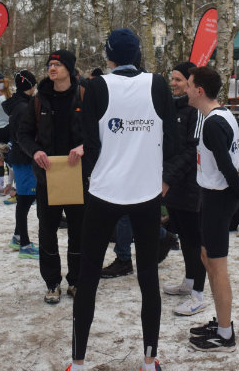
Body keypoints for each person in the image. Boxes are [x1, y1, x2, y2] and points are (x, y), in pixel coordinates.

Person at [68, 28, 176, 371]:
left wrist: (96, 170)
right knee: (148, 277)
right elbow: (172, 139)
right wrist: (161, 176)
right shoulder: (158, 84)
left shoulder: (97, 86)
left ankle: (78, 363)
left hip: (105, 192)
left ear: (109, 55)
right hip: (146, 192)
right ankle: (149, 360)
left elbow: (90, 142)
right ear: (138, 54)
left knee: (88, 276)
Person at [185, 65, 239, 353]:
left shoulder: (214, 123)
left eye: (189, 85)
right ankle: (221, 322)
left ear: (199, 90)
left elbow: (228, 165)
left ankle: (225, 335)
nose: (186, 90)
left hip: (219, 197)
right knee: (207, 257)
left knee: (217, 267)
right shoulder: (223, 114)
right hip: (214, 195)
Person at [17, 49, 85, 304]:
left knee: (79, 232)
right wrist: (35, 151)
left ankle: (76, 281)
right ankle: (52, 282)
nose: (52, 68)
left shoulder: (84, 96)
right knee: (47, 232)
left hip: (77, 176)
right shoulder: (39, 99)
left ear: (69, 68)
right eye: (49, 65)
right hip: (48, 176)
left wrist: (84, 147)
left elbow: (98, 132)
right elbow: (23, 134)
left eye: (57, 64)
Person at [159, 62, 206, 316]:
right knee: (185, 239)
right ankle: (188, 282)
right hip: (175, 185)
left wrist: (167, 178)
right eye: (172, 78)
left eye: (178, 79)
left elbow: (192, 151)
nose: (173, 83)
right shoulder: (173, 107)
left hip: (192, 186)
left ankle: (198, 294)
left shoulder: (197, 111)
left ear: (191, 83)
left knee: (196, 241)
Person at [1, 69, 40, 259]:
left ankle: (18, 237)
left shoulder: (18, 104)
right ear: (30, 86)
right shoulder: (23, 107)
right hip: (24, 158)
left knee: (26, 198)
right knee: (24, 200)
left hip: (20, 156)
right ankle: (24, 244)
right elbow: (24, 134)